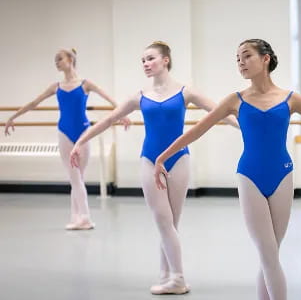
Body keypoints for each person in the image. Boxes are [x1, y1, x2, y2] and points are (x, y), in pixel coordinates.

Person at [153, 39, 301, 300]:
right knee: (268, 255)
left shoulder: (291, 99)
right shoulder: (235, 100)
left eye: (246, 56)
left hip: (283, 175)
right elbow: (198, 130)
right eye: (237, 59)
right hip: (249, 177)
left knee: (271, 255)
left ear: (265, 59)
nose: (241, 62)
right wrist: (162, 157)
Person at [70, 41, 237, 294]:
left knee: (171, 223)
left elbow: (219, 112)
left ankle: (169, 276)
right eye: (143, 61)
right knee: (163, 220)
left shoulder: (185, 92)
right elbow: (109, 119)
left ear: (165, 60)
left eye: (151, 59)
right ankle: (176, 278)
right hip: (149, 160)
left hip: (179, 159)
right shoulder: (140, 96)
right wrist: (81, 142)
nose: (146, 64)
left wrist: (246, 128)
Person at [4, 48, 130, 230]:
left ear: (71, 59)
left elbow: (109, 98)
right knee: (75, 177)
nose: (56, 62)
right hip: (64, 133)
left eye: (59, 59)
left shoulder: (86, 84)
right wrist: (13, 117)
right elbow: (34, 103)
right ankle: (80, 217)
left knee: (77, 177)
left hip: (84, 133)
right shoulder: (56, 87)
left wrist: (122, 114)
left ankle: (80, 218)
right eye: (55, 60)